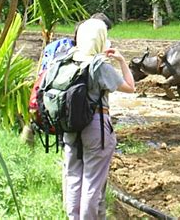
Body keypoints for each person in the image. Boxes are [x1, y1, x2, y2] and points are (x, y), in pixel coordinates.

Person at [63, 18, 135, 219]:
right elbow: (130, 86)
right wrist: (121, 60)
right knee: (92, 183)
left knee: (74, 178)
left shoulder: (66, 60)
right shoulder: (99, 66)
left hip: (69, 126)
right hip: (95, 127)